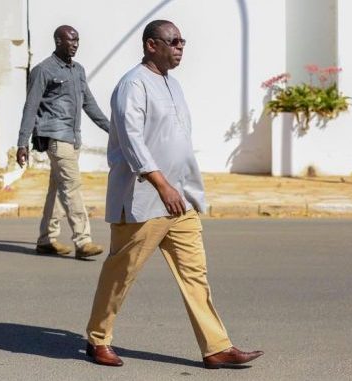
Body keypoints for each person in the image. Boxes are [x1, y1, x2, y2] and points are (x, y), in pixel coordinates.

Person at [84, 20, 264, 369]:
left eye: (183, 41)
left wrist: (185, 190)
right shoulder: (132, 86)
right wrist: (162, 184)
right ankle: (97, 338)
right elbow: (133, 142)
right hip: (142, 201)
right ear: (152, 45)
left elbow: (176, 141)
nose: (181, 47)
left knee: (195, 275)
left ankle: (216, 347)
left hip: (179, 201)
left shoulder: (173, 85)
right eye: (173, 41)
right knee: (121, 274)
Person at [16, 25, 109, 259]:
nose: (76, 44)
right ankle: (83, 240)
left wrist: (112, 129)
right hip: (56, 138)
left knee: (57, 189)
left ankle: (46, 239)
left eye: (78, 40)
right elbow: (30, 107)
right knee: (72, 186)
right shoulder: (43, 70)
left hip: (73, 137)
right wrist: (22, 142)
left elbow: (89, 103)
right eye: (71, 40)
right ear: (58, 41)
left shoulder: (78, 70)